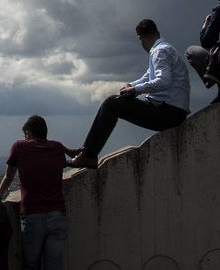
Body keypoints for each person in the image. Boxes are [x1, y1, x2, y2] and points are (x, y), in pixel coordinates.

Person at [68, 19, 189, 169]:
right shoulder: (164, 48)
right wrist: (131, 85)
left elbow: (163, 81)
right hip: (173, 112)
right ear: (157, 33)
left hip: (168, 113)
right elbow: (147, 77)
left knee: (111, 104)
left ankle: (88, 155)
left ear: (140, 38)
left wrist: (136, 90)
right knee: (113, 102)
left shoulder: (160, 51)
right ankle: (86, 150)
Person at [0, 116, 70, 270]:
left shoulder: (19, 147)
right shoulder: (56, 148)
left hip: (33, 216)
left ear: (27, 133)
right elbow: (65, 162)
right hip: (57, 215)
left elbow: (8, 178)